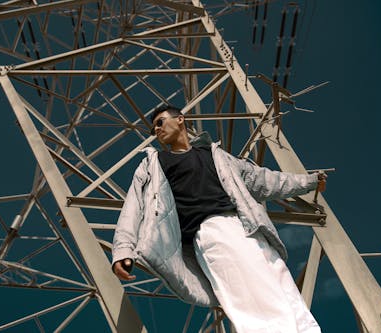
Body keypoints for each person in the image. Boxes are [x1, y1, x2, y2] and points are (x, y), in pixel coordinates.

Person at [112, 105, 325, 332]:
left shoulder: (215, 155)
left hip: (249, 226)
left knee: (288, 296)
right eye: (153, 128)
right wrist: (123, 249)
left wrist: (309, 182)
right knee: (257, 304)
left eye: (160, 122)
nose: (156, 130)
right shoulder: (154, 164)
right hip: (212, 232)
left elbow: (264, 180)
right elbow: (134, 206)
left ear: (180, 119)